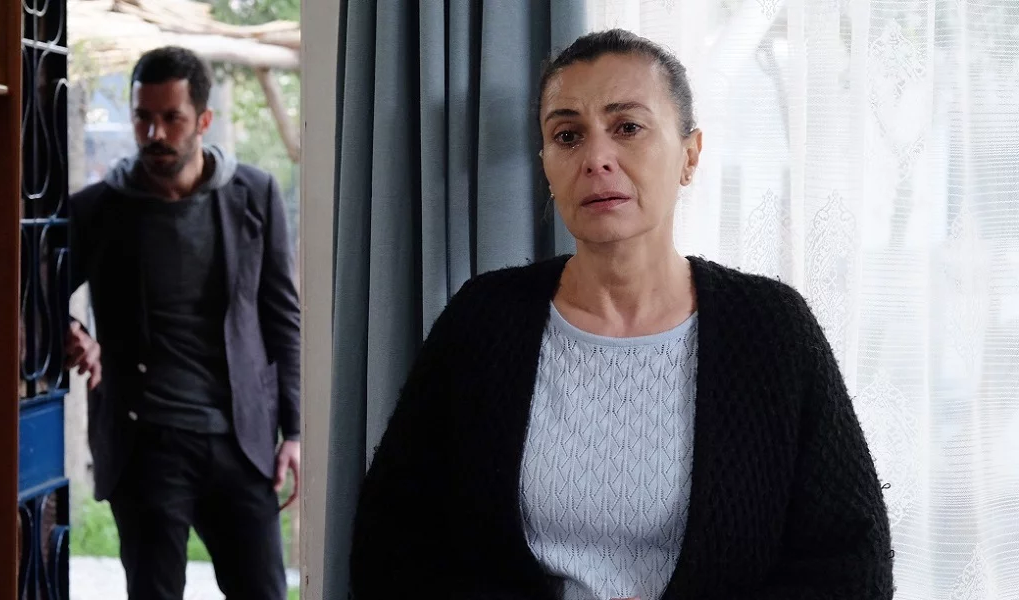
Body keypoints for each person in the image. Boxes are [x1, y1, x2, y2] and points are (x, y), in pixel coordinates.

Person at [350, 29, 893, 600]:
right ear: (546, 164)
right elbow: (390, 546)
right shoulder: (482, 322)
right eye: (568, 136)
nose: (596, 159)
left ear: (689, 155)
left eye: (628, 127)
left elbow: (853, 566)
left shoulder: (772, 330)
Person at [65, 46, 301, 600]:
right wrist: (70, 333)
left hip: (240, 442)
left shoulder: (255, 194)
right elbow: (32, 294)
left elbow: (282, 317)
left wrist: (295, 431)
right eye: (142, 117)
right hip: (145, 444)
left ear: (203, 120)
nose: (154, 134)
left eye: (171, 118)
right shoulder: (97, 209)